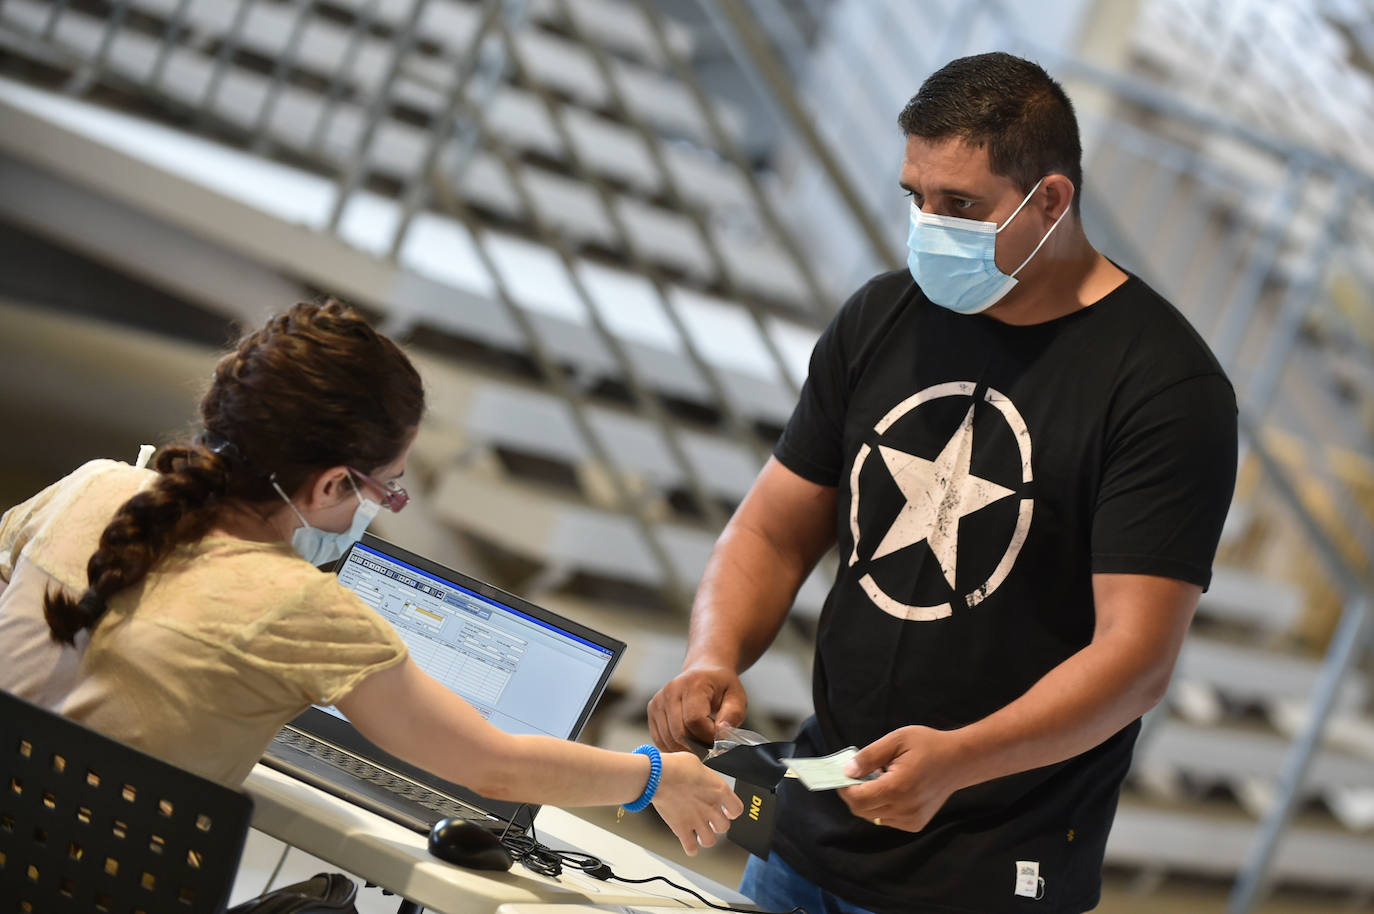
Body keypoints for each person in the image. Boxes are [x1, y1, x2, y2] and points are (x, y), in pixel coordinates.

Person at [649, 51, 1238, 912]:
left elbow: (1135, 658)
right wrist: (714, 653)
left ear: (1051, 201)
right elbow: (773, 528)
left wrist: (963, 758)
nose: (930, 226)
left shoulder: (1164, 388)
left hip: (992, 865)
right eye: (916, 198)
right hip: (811, 834)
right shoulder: (881, 317)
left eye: (960, 205)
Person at [0, 299, 741, 856]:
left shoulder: (90, 487)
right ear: (328, 488)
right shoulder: (297, 605)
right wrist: (656, 776)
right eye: (386, 489)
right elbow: (493, 766)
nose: (384, 506)